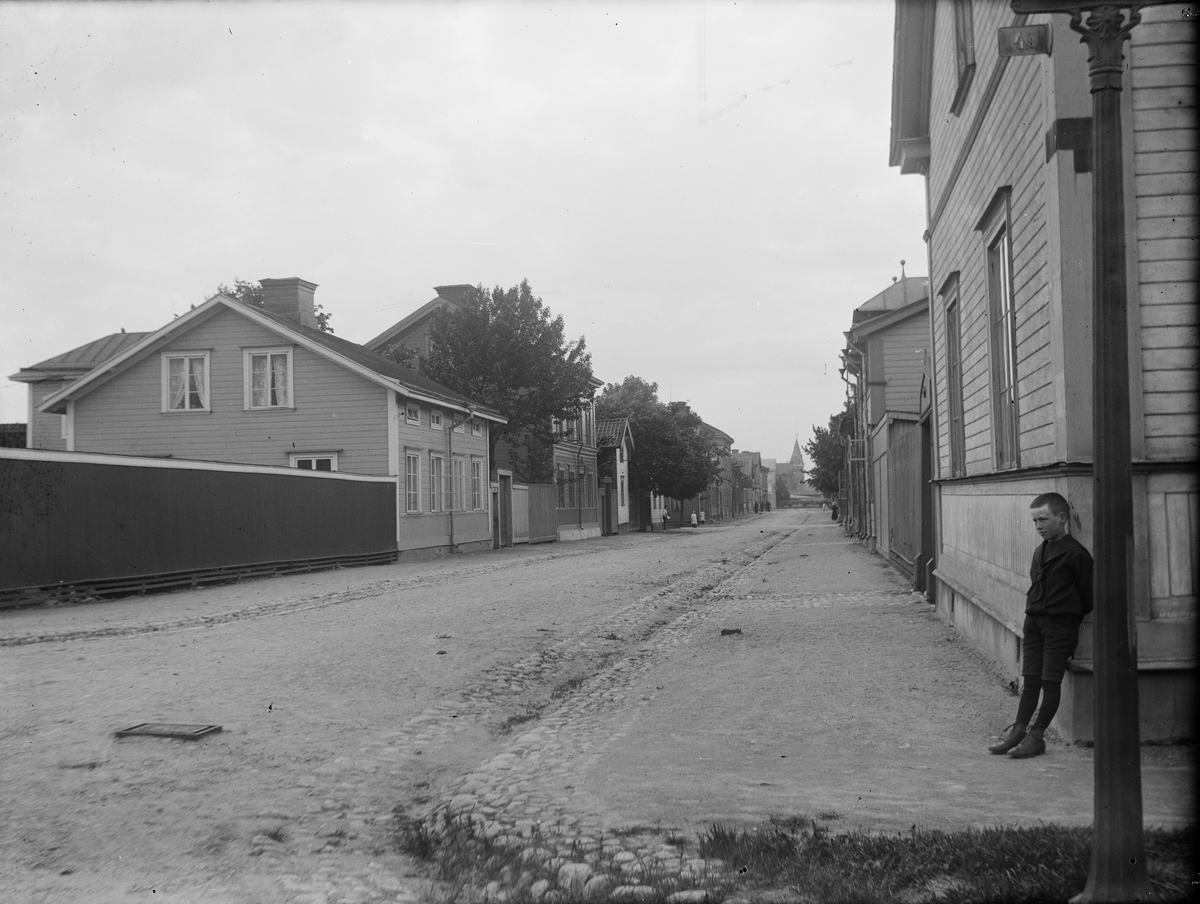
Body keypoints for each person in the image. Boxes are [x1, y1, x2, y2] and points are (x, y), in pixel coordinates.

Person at [989, 492, 1093, 759]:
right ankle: (1019, 732)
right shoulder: (1040, 551)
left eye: (1043, 519)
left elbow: (1087, 598)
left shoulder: (1076, 555)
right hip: (1033, 623)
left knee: (1050, 682)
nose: (1038, 526)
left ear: (1062, 518)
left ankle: (1037, 737)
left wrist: (1067, 622)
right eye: (1035, 521)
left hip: (1060, 626)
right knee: (1031, 679)